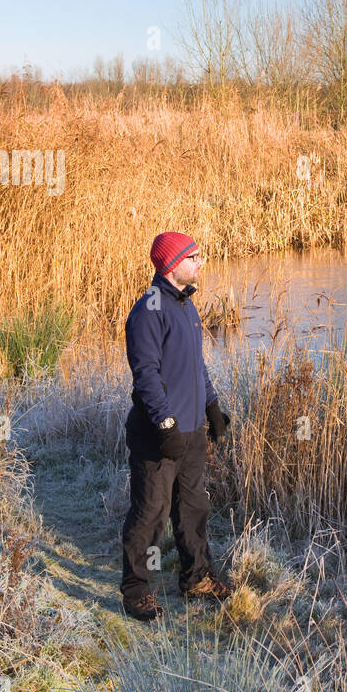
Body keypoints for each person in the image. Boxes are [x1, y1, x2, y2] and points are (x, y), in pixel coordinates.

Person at [120, 231, 233, 621]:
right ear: (172, 264)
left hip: (190, 431)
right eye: (195, 257)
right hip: (158, 434)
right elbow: (146, 375)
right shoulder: (149, 308)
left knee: (192, 508)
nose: (202, 263)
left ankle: (197, 577)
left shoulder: (187, 306)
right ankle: (137, 590)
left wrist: (212, 406)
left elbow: (196, 366)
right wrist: (165, 423)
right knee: (151, 512)